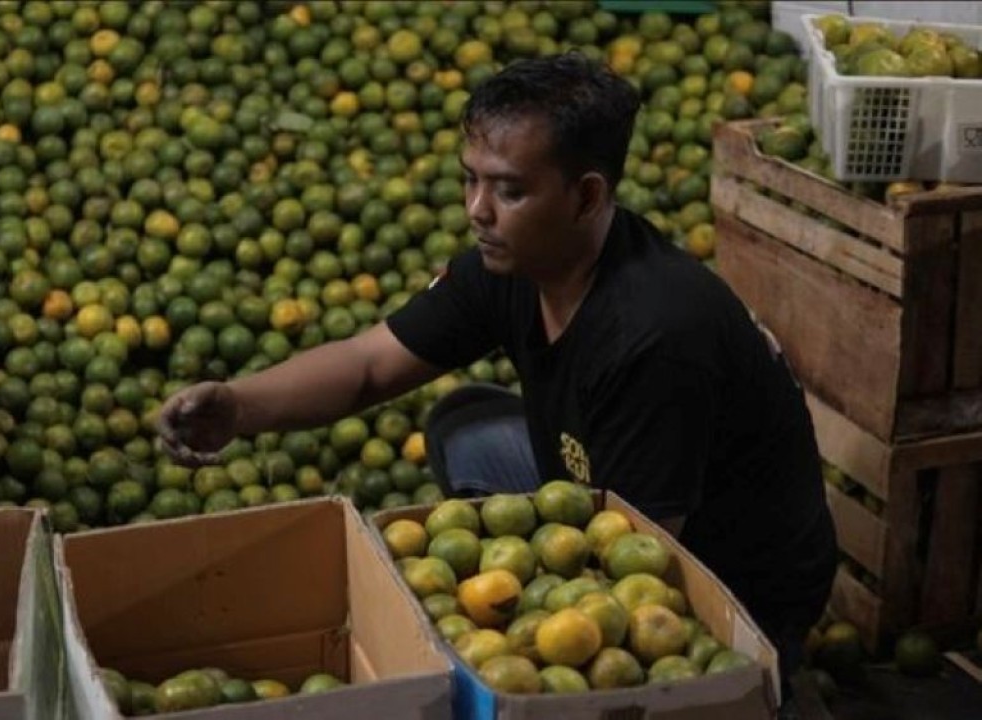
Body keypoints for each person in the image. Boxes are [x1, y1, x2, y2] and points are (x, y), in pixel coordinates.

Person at [158, 53, 836, 694]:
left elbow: (643, 574)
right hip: (614, 489)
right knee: (463, 426)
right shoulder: (511, 261)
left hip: (731, 577)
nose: (477, 210)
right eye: (470, 179)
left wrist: (475, 626)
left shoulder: (654, 337)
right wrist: (240, 406)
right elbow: (368, 366)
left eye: (509, 189)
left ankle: (766, 692)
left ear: (586, 196)